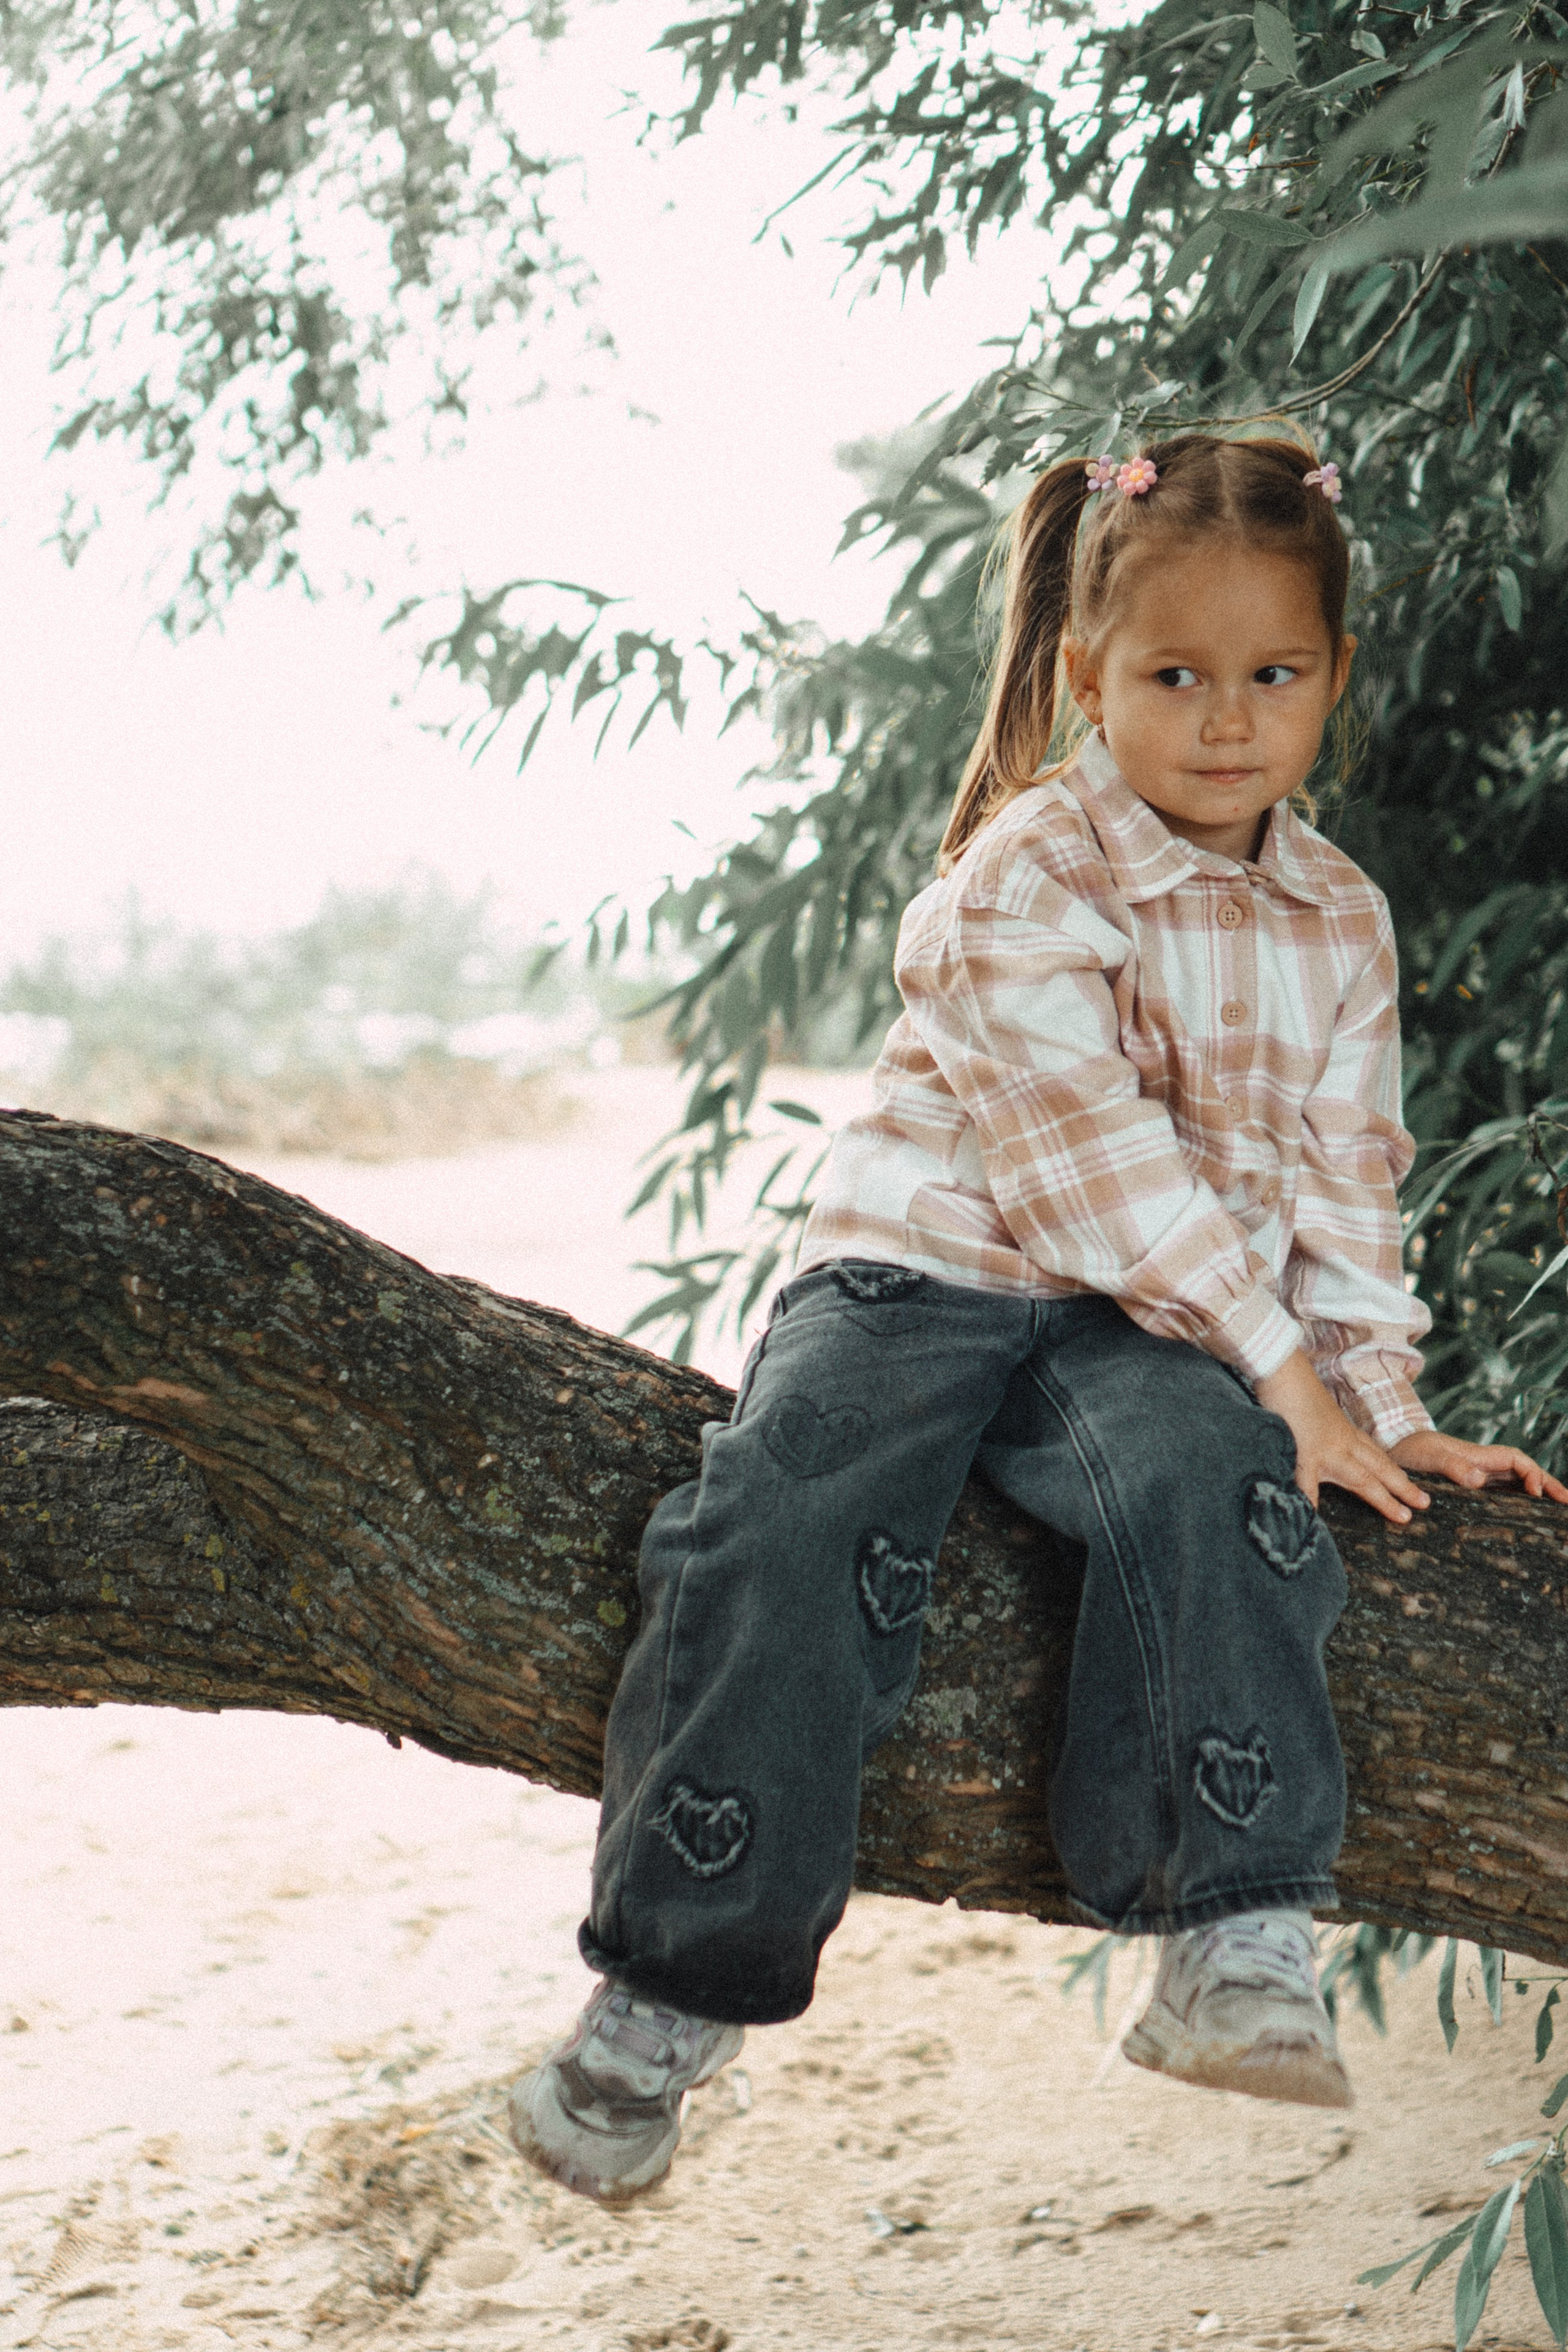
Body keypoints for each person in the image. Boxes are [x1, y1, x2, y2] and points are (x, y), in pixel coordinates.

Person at [510, 429, 1568, 2203]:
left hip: (1144, 1328)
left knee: (1230, 1484)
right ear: (1088, 678)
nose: (1227, 721)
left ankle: (1231, 1930)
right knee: (785, 1513)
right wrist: (1283, 1364)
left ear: (1335, 678)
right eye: (1175, 677)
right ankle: (665, 1995)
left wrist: (1372, 1407)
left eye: (1273, 676)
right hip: (921, 1275)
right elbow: (1095, 1174)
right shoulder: (1027, 872)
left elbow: (1345, 1181)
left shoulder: (1341, 919)